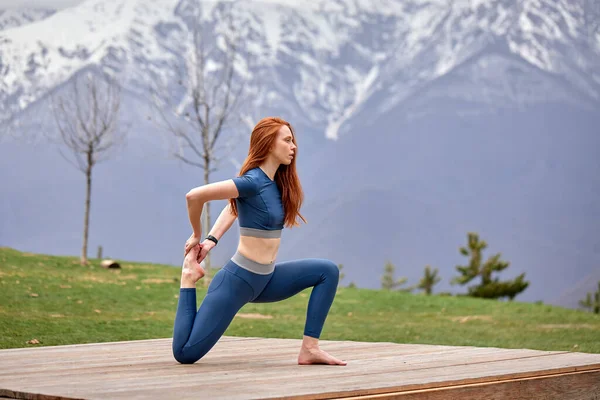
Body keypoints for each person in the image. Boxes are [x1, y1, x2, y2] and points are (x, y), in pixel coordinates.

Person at [172, 116, 347, 366]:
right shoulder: (252, 181)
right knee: (185, 353)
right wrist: (197, 234)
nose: (293, 146)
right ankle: (188, 278)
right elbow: (194, 196)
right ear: (268, 144)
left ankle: (310, 349)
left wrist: (211, 240)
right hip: (237, 282)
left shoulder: (275, 183)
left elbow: (233, 208)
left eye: (293, 140)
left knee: (326, 271)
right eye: (287, 140)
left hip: (266, 279)